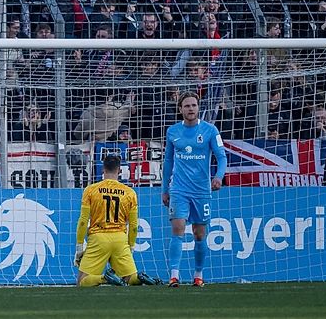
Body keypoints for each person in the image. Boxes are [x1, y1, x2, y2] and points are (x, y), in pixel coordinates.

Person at [161, 91, 227, 288]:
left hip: (201, 190)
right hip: (179, 190)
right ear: (180, 109)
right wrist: (165, 189)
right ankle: (174, 275)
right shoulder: (172, 132)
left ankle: (198, 274)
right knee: (178, 229)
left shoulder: (210, 130)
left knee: (199, 233)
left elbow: (221, 157)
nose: (191, 109)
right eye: (187, 106)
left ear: (198, 108)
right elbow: (168, 161)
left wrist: (218, 177)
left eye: (194, 105)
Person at [75, 153, 156, 287]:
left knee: (82, 282)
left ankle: (104, 278)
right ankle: (140, 278)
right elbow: (134, 225)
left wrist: (79, 247)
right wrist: (130, 246)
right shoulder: (130, 193)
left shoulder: (91, 190)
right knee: (130, 279)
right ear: (119, 170)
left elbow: (83, 220)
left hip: (98, 238)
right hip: (120, 239)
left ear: (103, 169)